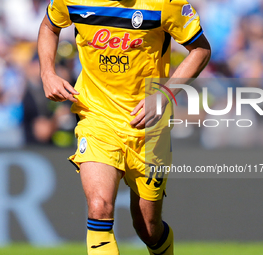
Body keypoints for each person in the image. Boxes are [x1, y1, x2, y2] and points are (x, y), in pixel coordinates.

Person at [38, 0, 211, 254]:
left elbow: (201, 49)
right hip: (97, 116)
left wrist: (164, 94)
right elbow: (49, 27)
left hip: (148, 126)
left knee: (147, 227)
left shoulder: (166, 3)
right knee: (99, 206)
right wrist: (47, 73)